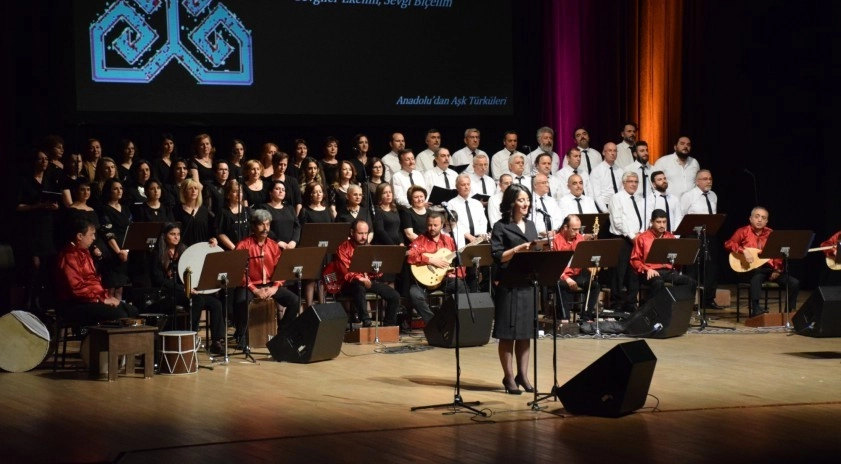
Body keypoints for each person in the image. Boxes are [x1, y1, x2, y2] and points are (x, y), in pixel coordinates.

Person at [491, 184, 538, 395]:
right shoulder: (500, 226)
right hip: (508, 285)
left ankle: (523, 375)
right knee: (507, 334)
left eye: (527, 199)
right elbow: (498, 255)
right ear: (512, 203)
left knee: (525, 334)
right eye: (521, 200)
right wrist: (517, 249)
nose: (525, 203)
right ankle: (509, 377)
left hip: (527, 284)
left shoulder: (531, 226)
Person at [150, 223, 225, 354]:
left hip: (188, 289)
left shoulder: (184, 250)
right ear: (164, 236)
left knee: (216, 304)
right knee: (197, 301)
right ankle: (191, 336)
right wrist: (184, 288)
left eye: (178, 234)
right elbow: (159, 280)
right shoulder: (157, 254)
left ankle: (216, 342)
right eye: (172, 234)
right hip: (170, 291)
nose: (176, 237)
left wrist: (210, 244)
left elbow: (198, 257)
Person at [234, 210, 302, 343]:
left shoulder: (273, 245)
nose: (266, 229)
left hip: (270, 285)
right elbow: (239, 272)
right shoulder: (243, 245)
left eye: (268, 225)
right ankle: (241, 334)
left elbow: (280, 270)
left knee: (294, 301)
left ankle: (282, 331)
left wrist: (275, 287)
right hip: (250, 286)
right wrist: (254, 289)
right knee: (241, 301)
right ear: (253, 226)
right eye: (261, 225)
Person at [55, 219, 140, 325]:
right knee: (119, 314)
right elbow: (76, 288)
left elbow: (93, 281)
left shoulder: (85, 252)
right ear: (80, 236)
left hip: (92, 299)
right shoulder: (69, 255)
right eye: (91, 235)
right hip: (76, 304)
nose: (94, 238)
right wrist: (100, 300)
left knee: (133, 310)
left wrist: (105, 297)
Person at [724, 207, 799, 316]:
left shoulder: (771, 233)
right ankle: (756, 308)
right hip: (748, 270)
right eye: (757, 216)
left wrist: (777, 269)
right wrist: (743, 250)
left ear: (766, 221)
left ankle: (789, 311)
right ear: (750, 218)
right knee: (757, 274)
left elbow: (778, 253)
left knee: (794, 283)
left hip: (769, 270)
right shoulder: (743, 231)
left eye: (763, 218)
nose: (759, 220)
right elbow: (728, 244)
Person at [16, 150, 60, 311]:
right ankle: (27, 299)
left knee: (46, 267)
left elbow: (57, 201)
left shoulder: (49, 181)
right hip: (31, 228)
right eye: (40, 159)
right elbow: (18, 206)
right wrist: (37, 206)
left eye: (46, 159)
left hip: (47, 227)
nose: (44, 162)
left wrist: (55, 207)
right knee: (34, 264)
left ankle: (38, 300)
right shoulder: (25, 181)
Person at [335, 220, 400, 327]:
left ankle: (389, 326)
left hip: (368, 281)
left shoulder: (369, 247)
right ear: (352, 232)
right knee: (359, 287)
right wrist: (360, 279)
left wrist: (377, 271)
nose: (364, 237)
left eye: (366, 233)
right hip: (349, 284)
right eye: (360, 234)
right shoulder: (343, 248)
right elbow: (346, 273)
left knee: (394, 296)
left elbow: (377, 273)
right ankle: (366, 321)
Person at [406, 211, 467, 323]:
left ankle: (452, 320)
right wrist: (431, 260)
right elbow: (410, 256)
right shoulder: (420, 240)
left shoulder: (449, 240)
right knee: (414, 295)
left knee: (461, 287)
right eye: (429, 225)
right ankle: (433, 323)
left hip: (444, 279)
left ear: (442, 225)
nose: (432, 228)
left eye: (435, 225)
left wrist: (457, 274)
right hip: (423, 282)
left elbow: (459, 260)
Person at [630, 209, 697, 301]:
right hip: (649, 272)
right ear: (651, 222)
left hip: (668, 271)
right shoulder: (642, 238)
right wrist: (647, 269)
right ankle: (652, 311)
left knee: (690, 282)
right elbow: (635, 260)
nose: (662, 225)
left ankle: (681, 309)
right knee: (658, 282)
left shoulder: (670, 237)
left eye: (664, 222)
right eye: (658, 222)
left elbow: (677, 256)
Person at [679, 169, 722, 309]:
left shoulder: (713, 195)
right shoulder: (688, 196)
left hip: (709, 235)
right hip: (693, 235)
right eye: (704, 179)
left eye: (710, 178)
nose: (708, 181)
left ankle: (708, 299)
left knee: (711, 267)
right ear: (697, 181)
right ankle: (690, 300)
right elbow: (681, 215)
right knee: (693, 268)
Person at [607, 172, 644, 310]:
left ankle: (631, 302)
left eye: (636, 181)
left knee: (634, 271)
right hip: (622, 239)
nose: (633, 184)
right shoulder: (617, 198)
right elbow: (618, 222)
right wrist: (631, 236)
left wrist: (641, 235)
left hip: (636, 238)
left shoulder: (639, 199)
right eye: (630, 181)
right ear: (624, 183)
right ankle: (616, 303)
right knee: (619, 272)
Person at [553, 214, 599, 319]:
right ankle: (564, 319)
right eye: (574, 229)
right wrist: (567, 278)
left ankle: (585, 317)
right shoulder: (556, 240)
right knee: (561, 285)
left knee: (595, 285)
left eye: (579, 229)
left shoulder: (579, 238)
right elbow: (555, 265)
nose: (577, 232)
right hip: (562, 275)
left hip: (577, 274)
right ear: (565, 227)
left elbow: (584, 258)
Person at [98, 178, 131, 300]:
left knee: (120, 287)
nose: (119, 191)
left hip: (125, 250)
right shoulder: (104, 209)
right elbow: (108, 232)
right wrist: (118, 251)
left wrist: (126, 250)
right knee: (111, 287)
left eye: (121, 188)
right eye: (115, 188)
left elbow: (130, 229)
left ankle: (119, 314)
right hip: (112, 252)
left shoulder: (126, 208)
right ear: (109, 191)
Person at [653, 135, 700, 200]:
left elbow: (698, 183)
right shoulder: (663, 161)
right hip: (670, 204)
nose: (685, 146)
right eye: (682, 144)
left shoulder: (694, 162)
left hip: (691, 205)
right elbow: (654, 183)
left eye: (688, 145)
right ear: (675, 147)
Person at [173, 179, 217, 247]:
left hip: (203, 248)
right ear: (184, 191)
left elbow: (212, 231)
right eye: (190, 188)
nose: (193, 191)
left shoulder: (204, 210)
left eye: (196, 188)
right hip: (184, 250)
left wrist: (214, 239)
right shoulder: (177, 210)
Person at [257, 180, 300, 249]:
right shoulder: (264, 208)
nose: (281, 191)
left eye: (283, 190)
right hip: (272, 247)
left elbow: (297, 226)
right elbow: (264, 227)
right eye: (277, 189)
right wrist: (278, 242)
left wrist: (294, 241)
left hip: (291, 247)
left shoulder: (290, 208)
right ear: (270, 192)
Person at [589, 142, 623, 213]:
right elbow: (596, 194)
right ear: (603, 153)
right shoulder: (597, 171)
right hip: (604, 206)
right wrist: (605, 211)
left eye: (615, 151)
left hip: (619, 206)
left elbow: (622, 191)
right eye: (610, 150)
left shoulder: (620, 171)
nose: (613, 153)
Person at [216, 180, 250, 250]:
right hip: (231, 250)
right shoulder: (223, 212)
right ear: (228, 195)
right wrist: (235, 248)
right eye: (235, 192)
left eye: (240, 192)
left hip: (247, 249)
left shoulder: (247, 210)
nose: (238, 194)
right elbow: (220, 233)